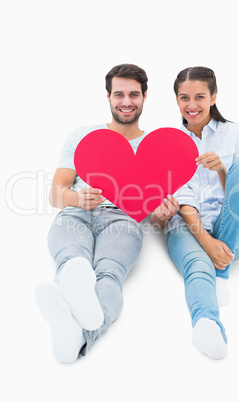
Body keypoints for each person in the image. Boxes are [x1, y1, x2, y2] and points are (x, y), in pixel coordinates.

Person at [36, 64, 148, 363]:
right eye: (119, 94)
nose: (126, 101)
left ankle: (74, 331)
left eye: (134, 94)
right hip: (76, 213)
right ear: (108, 96)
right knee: (73, 259)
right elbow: (55, 192)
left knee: (109, 273)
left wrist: (164, 212)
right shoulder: (84, 136)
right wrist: (77, 196)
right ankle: (77, 297)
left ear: (145, 96)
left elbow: (157, 210)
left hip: (123, 220)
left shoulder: (153, 147)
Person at [150, 66, 239, 359]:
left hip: (235, 226)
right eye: (184, 98)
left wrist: (223, 170)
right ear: (176, 101)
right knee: (197, 267)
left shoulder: (235, 133)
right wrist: (206, 242)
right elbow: (183, 197)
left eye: (200, 96)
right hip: (189, 225)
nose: (192, 105)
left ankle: (222, 271)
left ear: (213, 97)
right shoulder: (169, 141)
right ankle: (206, 324)